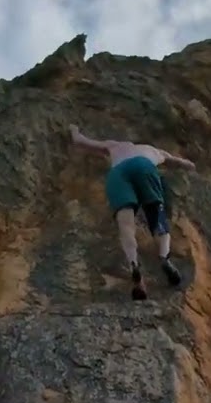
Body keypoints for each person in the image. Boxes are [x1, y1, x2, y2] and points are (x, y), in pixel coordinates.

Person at [68, 123, 196, 300]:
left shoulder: (113, 145)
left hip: (118, 173)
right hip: (144, 165)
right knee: (157, 218)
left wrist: (73, 129)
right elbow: (182, 163)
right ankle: (165, 258)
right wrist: (190, 166)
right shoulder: (153, 151)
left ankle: (134, 266)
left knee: (126, 225)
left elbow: (80, 141)